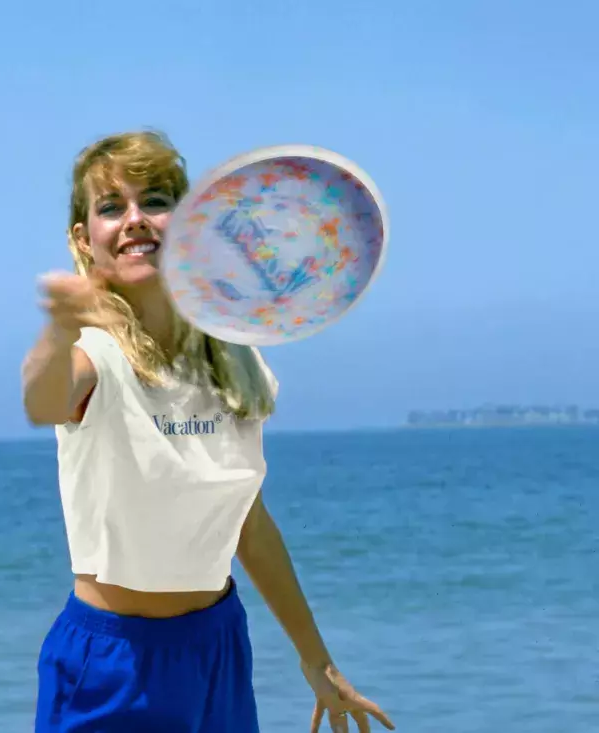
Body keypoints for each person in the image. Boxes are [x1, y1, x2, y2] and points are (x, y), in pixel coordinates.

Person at [21, 130, 395, 733]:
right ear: (83, 241)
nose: (136, 220)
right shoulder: (95, 357)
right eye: (111, 207)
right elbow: (43, 401)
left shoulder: (236, 363)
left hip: (216, 646)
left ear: (192, 224)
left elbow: (245, 521)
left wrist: (316, 658)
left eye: (156, 201)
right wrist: (57, 331)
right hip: (113, 662)